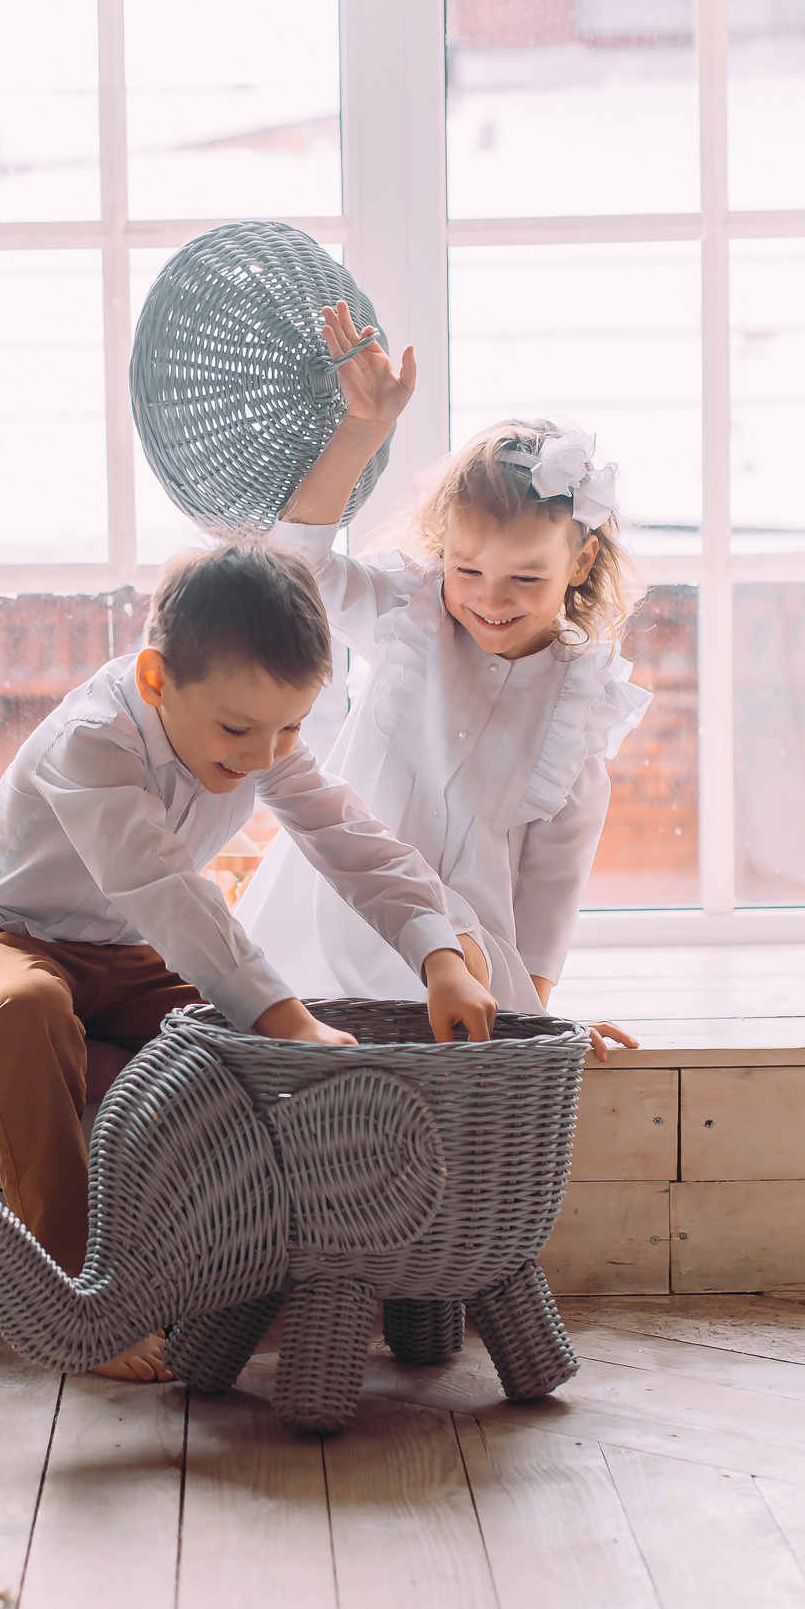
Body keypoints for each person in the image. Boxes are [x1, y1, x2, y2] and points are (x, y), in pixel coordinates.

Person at [0, 541, 498, 1382]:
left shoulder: (255, 733)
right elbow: (164, 888)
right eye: (238, 730)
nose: (264, 755)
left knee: (241, 1039)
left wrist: (439, 953)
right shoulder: (92, 742)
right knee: (28, 1006)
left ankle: (264, 1270)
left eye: (291, 726)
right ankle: (80, 1298)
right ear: (157, 679)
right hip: (3, 935)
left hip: (127, 952)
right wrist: (285, 1017)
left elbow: (355, 841)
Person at [237, 302, 650, 1060]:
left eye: (526, 577)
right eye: (468, 570)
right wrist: (362, 428)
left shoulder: (577, 708)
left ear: (581, 564)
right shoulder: (410, 619)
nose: (490, 600)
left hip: (463, 973)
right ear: (443, 553)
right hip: (324, 923)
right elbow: (298, 571)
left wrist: (536, 1024)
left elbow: (548, 895)